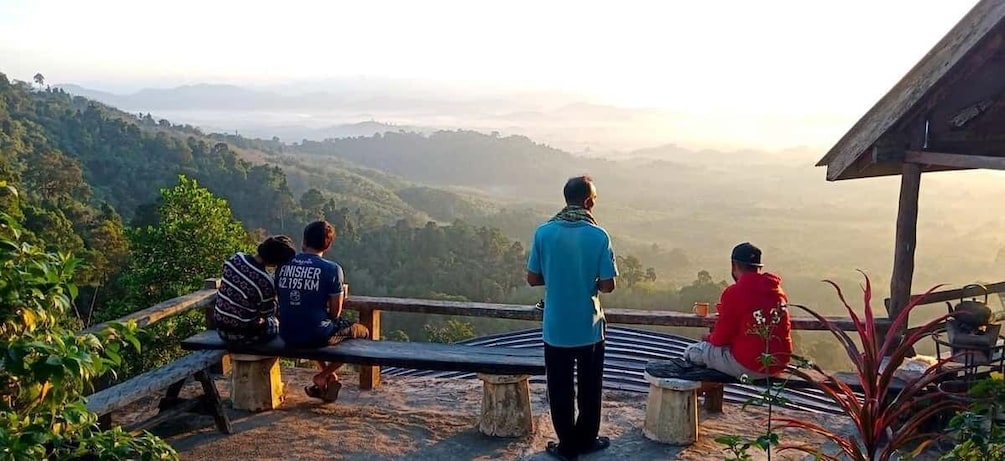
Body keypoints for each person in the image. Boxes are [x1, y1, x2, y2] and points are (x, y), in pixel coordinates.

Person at [527, 175, 617, 461]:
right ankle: (586, 440)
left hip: (555, 327)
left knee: (559, 386)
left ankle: (566, 446)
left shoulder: (543, 233)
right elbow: (607, 285)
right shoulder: (599, 235)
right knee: (590, 387)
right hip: (588, 327)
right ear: (589, 201)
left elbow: (533, 278)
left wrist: (556, 275)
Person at [276, 220, 369, 402]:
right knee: (363, 333)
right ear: (328, 245)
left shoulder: (283, 266)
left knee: (315, 328)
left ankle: (327, 377)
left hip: (286, 333)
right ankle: (324, 374)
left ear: (304, 241)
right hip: (315, 335)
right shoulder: (332, 269)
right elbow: (335, 313)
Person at [683, 242, 792, 379]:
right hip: (779, 364)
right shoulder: (777, 291)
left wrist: (708, 338)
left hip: (750, 366)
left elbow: (720, 339)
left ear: (734, 265)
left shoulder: (735, 292)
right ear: (758, 267)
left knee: (693, 351)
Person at [213, 235, 297, 345]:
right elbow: (267, 315)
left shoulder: (236, 258)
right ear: (277, 262)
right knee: (276, 323)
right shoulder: (266, 282)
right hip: (242, 335)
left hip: (220, 329)